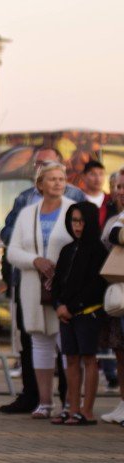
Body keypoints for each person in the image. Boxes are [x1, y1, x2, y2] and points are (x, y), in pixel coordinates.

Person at [0, 147, 86, 414]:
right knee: (38, 343)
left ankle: (71, 402)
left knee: (66, 344)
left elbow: (85, 245)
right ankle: (43, 402)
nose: (58, 183)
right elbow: (12, 249)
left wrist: (62, 267)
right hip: (32, 286)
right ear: (40, 183)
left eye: (61, 178)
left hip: (65, 287)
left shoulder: (75, 207)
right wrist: (35, 261)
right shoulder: (27, 211)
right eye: (52, 179)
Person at [50, 202, 106, 425]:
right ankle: (71, 407)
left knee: (89, 359)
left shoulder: (97, 250)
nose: (78, 226)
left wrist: (71, 307)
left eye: (82, 221)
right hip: (66, 314)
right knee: (70, 359)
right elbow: (57, 283)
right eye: (74, 220)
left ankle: (87, 410)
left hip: (87, 313)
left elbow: (95, 285)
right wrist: (58, 305)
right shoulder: (67, 249)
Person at [102, 168, 124, 424]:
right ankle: (121, 402)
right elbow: (110, 235)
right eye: (118, 187)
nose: (120, 192)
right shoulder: (117, 218)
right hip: (119, 291)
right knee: (120, 351)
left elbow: (115, 235)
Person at [81, 161, 115, 227]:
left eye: (101, 174)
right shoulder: (77, 198)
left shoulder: (111, 200)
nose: (98, 178)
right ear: (83, 176)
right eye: (93, 174)